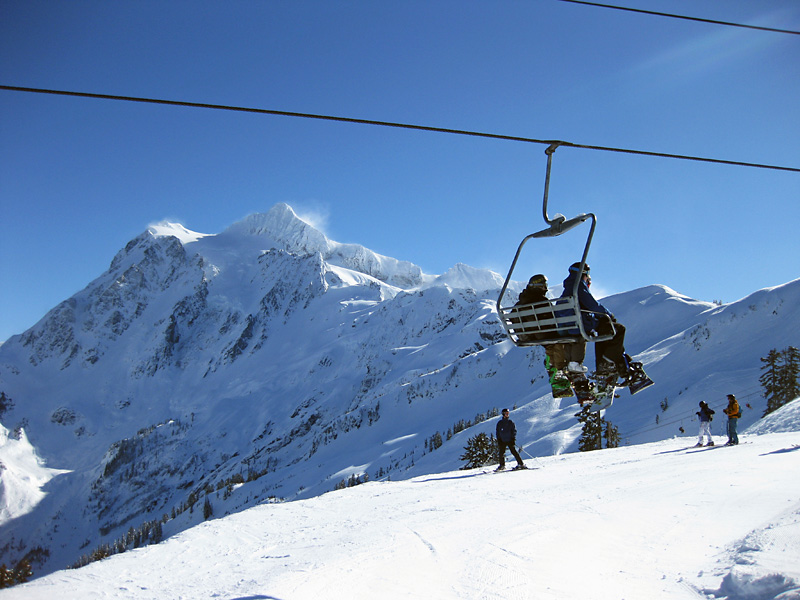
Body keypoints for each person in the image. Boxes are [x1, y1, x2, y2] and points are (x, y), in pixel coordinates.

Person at [560, 262, 630, 382]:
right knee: (617, 328)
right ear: (584, 273)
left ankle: (605, 363)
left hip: (568, 325)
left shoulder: (568, 288)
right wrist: (608, 315)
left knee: (604, 328)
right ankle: (608, 361)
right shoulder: (578, 285)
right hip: (579, 325)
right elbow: (592, 305)